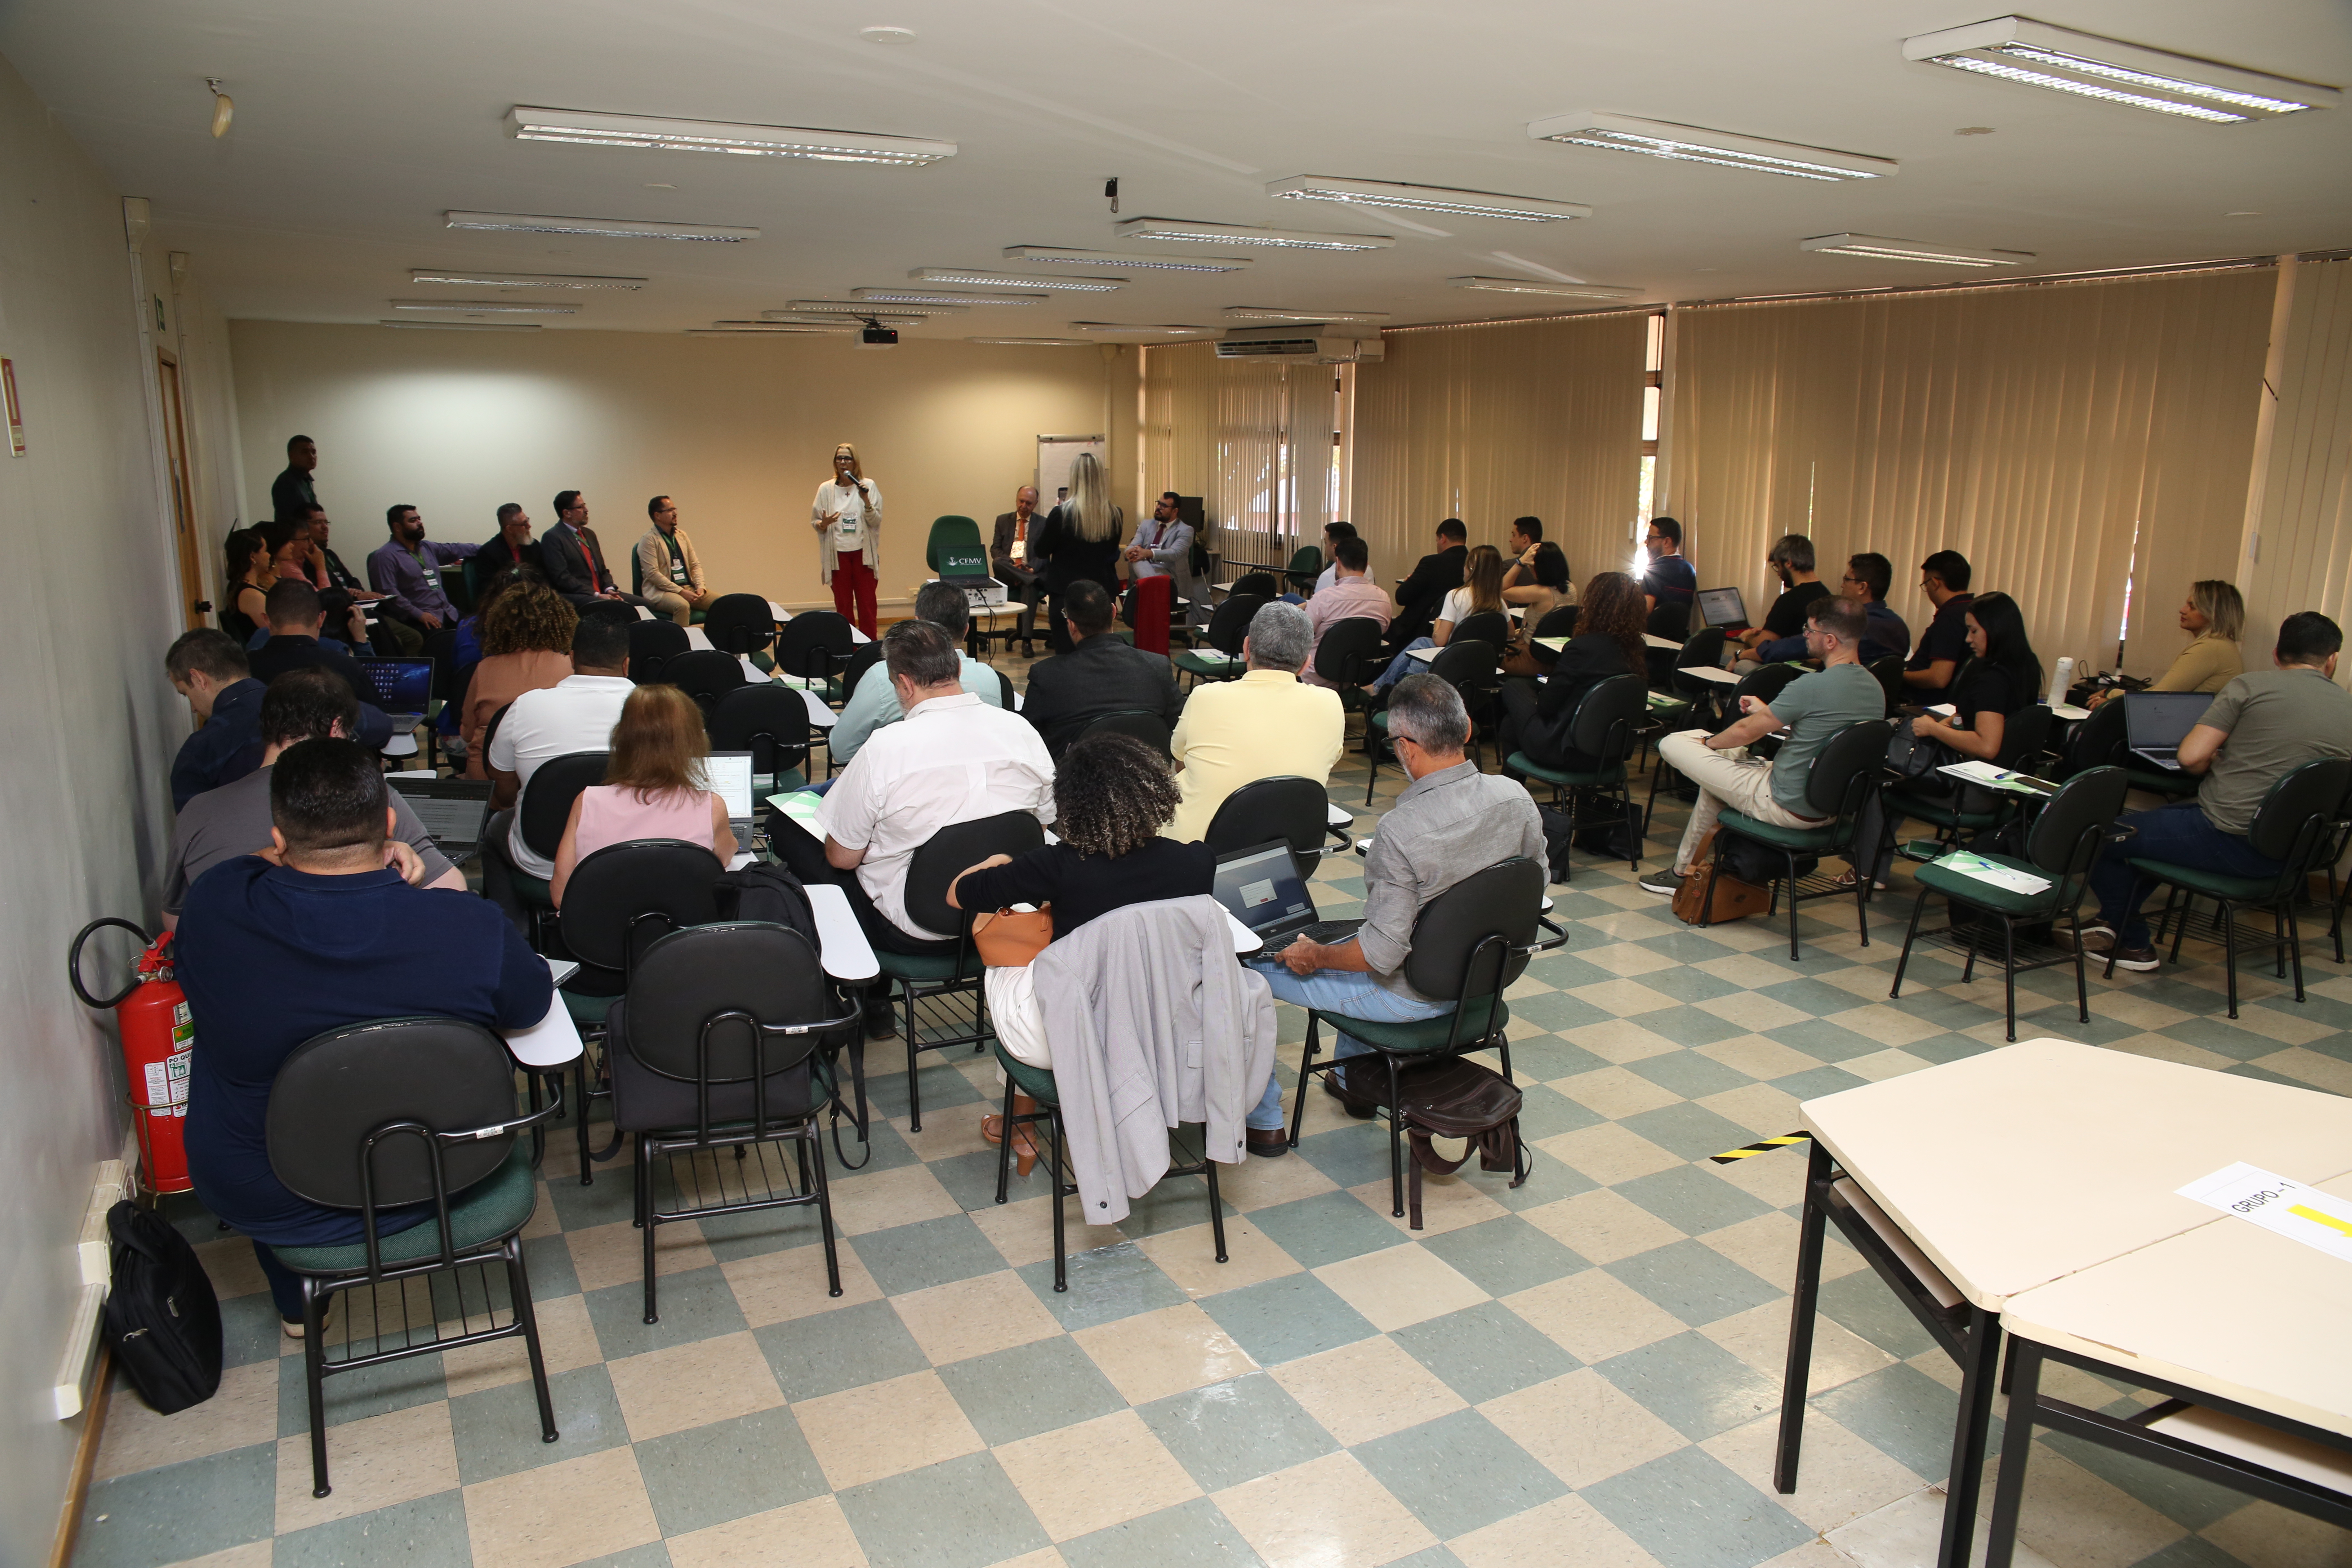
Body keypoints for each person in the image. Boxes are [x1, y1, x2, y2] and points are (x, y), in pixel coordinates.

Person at [176, 737, 551, 1332]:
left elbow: (241, 870)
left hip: (270, 1191)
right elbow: (530, 1006)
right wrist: (389, 854)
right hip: (445, 1173)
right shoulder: (467, 928)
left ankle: (299, 1308)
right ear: (390, 821)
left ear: (278, 836)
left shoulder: (216, 910)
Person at [1245, 675, 1546, 1140]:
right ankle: (1351, 1083)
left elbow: (1380, 957)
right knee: (1358, 937)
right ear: (1466, 729)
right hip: (1483, 983)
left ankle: (1262, 1123)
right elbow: (1535, 886)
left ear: (1406, 748)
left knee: (1247, 970)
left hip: (1410, 1000)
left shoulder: (1400, 830)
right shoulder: (1517, 799)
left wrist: (1316, 956)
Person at [947, 735, 1218, 1152]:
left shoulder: (1054, 866)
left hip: (1070, 1040)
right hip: (1162, 1032)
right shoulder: (1197, 862)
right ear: (1156, 793)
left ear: (1071, 804)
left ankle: (1021, 1125)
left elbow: (958, 896)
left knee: (1015, 958)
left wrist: (997, 863)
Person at [784, 621, 1054, 1032]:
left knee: (799, 841)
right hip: (1003, 910)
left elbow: (842, 857)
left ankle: (861, 995)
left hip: (915, 929)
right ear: (957, 672)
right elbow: (1045, 823)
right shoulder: (1021, 731)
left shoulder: (886, 747)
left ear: (905, 685)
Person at [2074, 612, 2352, 971]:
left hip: (2232, 841)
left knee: (2098, 834)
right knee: (2150, 827)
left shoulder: (2250, 687)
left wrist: (2217, 758)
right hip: (2300, 853)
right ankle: (2112, 921)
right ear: (2332, 660)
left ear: (2276, 654)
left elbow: (2191, 758)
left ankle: (2133, 943)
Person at [163, 668, 463, 927]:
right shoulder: (374, 796)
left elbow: (178, 924)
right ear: (336, 729)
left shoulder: (196, 811)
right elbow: (453, 895)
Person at [1639, 595, 1886, 898]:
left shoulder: (1811, 685)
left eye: (1809, 632)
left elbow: (1743, 732)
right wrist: (1769, 713)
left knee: (1673, 743)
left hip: (1784, 802)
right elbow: (1826, 730)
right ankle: (1683, 872)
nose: (1804, 637)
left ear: (1831, 640)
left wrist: (1706, 743)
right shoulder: (1875, 689)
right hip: (1832, 808)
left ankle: (1681, 874)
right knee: (1716, 782)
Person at [1846, 590, 2042, 889]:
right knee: (1897, 767)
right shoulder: (2025, 666)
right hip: (1999, 786)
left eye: (1974, 630)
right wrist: (1951, 722)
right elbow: (1985, 719)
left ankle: (1867, 871)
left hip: (1971, 790)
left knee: (1882, 773)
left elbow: (1987, 745)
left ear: (1996, 629)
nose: (1968, 639)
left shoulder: (1993, 679)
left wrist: (1936, 730)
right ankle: (1871, 868)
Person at [1166, 601, 1345, 843]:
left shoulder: (1206, 697)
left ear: (1247, 648)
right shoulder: (1331, 704)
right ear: (1306, 664)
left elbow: (1180, 763)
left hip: (1199, 855)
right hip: (1286, 853)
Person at [550, 684, 737, 906]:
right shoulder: (710, 806)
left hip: (600, 936)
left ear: (621, 738)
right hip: (680, 934)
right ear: (694, 742)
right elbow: (724, 858)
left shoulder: (587, 801)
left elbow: (560, 896)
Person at [485, 614, 635, 884]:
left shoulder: (525, 706)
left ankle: (511, 921)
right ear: (626, 664)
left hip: (543, 863)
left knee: (495, 827)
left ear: (571, 657)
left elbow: (502, 786)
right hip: (632, 858)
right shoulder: (666, 713)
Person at [832, 581, 1008, 764]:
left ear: (918, 624)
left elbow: (842, 750)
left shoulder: (883, 675)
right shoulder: (990, 677)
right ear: (966, 630)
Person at [1499, 570, 1646, 768]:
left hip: (1569, 751)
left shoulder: (1582, 648)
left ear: (1595, 606)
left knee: (1514, 687)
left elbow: (1546, 707)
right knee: (1511, 724)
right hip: (1612, 753)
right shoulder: (1637, 649)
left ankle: (1512, 794)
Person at [1020, 579, 1183, 757]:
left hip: (1077, 781)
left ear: (1071, 625)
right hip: (1150, 778)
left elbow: (1026, 737)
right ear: (1114, 612)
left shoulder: (1046, 674)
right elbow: (1182, 729)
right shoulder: (1157, 665)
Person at [245, 581, 394, 749]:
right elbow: (380, 723)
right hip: (334, 763)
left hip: (259, 765)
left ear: (266, 619)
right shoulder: (344, 665)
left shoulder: (244, 668)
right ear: (321, 618)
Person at [460, 579, 576, 775]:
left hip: (487, 782)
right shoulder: (570, 667)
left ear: (499, 624)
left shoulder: (485, 669)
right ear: (561, 623)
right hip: (547, 777)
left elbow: (467, 733)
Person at [367, 503, 477, 690]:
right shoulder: (384, 556)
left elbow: (456, 549)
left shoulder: (427, 548)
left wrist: (490, 548)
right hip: (419, 618)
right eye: (413, 520)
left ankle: (471, 683)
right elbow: (390, 595)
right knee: (444, 645)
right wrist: (419, 614)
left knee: (478, 628)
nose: (420, 523)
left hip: (445, 611)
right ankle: (445, 691)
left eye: (419, 519)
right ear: (397, 527)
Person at [1369, 543, 1506, 693]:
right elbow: (1510, 633)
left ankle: (1384, 689)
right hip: (1485, 665)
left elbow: (1440, 641)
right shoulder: (1499, 602)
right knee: (1421, 644)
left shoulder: (1456, 596)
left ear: (1471, 569)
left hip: (1456, 662)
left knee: (1421, 649)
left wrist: (1437, 626)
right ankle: (1384, 688)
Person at [2090, 579, 2246, 706]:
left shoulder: (2210, 649)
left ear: (2212, 614)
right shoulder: (2222, 645)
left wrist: (2110, 693)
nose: (2183, 610)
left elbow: (2159, 697)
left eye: (2192, 607)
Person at [166, 629, 265, 810]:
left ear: (199, 679)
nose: (194, 708)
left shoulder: (201, 749)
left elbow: (194, 833)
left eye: (186, 694)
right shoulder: (302, 707)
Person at [1033, 452, 1122, 653]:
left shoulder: (1061, 514)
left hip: (1067, 594)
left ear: (1074, 478)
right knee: (1100, 655)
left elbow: (1041, 551)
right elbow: (1111, 553)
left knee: (1067, 657)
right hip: (1102, 594)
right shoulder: (1115, 514)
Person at [306, 509, 416, 656]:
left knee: (412, 638)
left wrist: (358, 592)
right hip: (341, 617)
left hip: (361, 608)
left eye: (326, 522)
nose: (325, 527)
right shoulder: (308, 562)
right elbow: (327, 597)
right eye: (318, 523)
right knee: (398, 640)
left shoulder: (330, 554)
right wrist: (354, 596)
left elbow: (353, 580)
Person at [1731, 535, 1832, 672]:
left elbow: (1764, 646)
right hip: (1817, 670)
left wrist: (1748, 637)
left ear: (1789, 563)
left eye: (1778, 566)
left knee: (1742, 665)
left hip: (1790, 671)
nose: (1778, 573)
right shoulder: (1827, 595)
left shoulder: (1789, 600)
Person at [1302, 535, 1392, 688]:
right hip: (1355, 676)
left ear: (1338, 563)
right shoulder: (1383, 599)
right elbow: (1380, 631)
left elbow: (1303, 634)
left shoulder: (1324, 598)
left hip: (1314, 678)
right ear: (1367, 565)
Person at [811, 443, 882, 637]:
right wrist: (824, 523)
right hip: (838, 556)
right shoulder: (826, 489)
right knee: (843, 608)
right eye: (839, 458)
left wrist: (866, 500)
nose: (843, 462)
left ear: (855, 462)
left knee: (867, 605)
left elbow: (875, 521)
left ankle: (869, 648)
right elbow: (815, 522)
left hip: (863, 555)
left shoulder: (868, 486)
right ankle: (848, 649)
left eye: (847, 458)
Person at [539, 490, 639, 610]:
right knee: (615, 608)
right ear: (567, 513)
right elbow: (562, 578)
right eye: (581, 507)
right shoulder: (553, 537)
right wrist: (596, 595)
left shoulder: (589, 534)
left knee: (645, 604)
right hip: (578, 595)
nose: (586, 510)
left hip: (602, 592)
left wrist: (610, 589)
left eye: (584, 505)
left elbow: (603, 570)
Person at [1125, 491, 1206, 630]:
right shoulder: (1146, 525)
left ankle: (1152, 587)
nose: (1158, 508)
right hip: (1146, 571)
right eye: (1158, 503)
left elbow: (1174, 554)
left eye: (1164, 506)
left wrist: (1148, 554)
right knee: (1136, 560)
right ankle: (1154, 587)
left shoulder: (1186, 530)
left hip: (1170, 575)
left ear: (1175, 511)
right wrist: (1130, 552)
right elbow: (1133, 545)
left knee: (1139, 560)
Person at [1386, 519, 1470, 651]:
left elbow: (1401, 597)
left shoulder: (1431, 563)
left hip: (1420, 631)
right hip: (1459, 634)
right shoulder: (1474, 564)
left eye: (1437, 540)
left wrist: (1410, 582)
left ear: (1443, 538)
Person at [1902, 550, 1975, 695]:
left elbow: (1938, 678)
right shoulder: (1973, 610)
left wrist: (1899, 675)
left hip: (1921, 704)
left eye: (1925, 584)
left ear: (1935, 583)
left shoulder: (1950, 618)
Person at [635, 495, 713, 626]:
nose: (675, 513)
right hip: (662, 592)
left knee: (723, 603)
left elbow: (695, 565)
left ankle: (715, 644)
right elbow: (653, 574)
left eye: (675, 509)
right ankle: (682, 646)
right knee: (682, 606)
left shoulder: (682, 536)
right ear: (658, 515)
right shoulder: (649, 540)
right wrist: (681, 592)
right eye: (670, 510)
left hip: (689, 587)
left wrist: (701, 586)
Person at [1500, 542, 1576, 676]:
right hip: (1556, 659)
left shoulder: (1542, 593)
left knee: (1485, 657)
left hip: (1530, 659)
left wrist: (1520, 562)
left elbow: (1502, 589)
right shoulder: (1571, 589)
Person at [991, 485, 1045, 652]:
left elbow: (1044, 555)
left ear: (1035, 504)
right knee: (997, 562)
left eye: (1029, 503)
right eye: (1021, 501)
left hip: (1029, 571)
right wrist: (1012, 564)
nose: (1024, 506)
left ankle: (1026, 640)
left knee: (1030, 586)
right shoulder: (1002, 520)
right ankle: (1029, 578)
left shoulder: (1043, 524)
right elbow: (995, 549)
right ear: (1016, 500)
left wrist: (1029, 569)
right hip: (1008, 571)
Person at [1839, 553, 1912, 666]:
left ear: (1862, 588)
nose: (1842, 586)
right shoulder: (1900, 627)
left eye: (1846, 580)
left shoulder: (1854, 626)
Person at [220, 527, 274, 646]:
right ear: (252, 556)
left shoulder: (248, 587)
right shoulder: (250, 595)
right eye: (266, 551)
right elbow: (276, 633)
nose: (269, 555)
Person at [1642, 516, 1696, 617]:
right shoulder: (1689, 569)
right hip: (1679, 633)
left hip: (1652, 632)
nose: (1646, 542)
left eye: (1651, 538)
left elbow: (1646, 610)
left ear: (1667, 542)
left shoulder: (1655, 570)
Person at [476, 503, 546, 580]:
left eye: (527, 521)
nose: (529, 526)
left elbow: (543, 576)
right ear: (510, 529)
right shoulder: (489, 553)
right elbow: (490, 588)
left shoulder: (533, 546)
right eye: (524, 524)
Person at [269, 433, 318, 522]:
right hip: (297, 536)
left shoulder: (307, 481)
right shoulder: (285, 483)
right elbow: (287, 523)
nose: (312, 457)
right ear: (292, 456)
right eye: (305, 452)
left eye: (314, 452)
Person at [1500, 517, 1545, 588]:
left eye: (1514, 535)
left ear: (1525, 538)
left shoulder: (1509, 566)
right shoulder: (1551, 565)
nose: (1511, 540)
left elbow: (1497, 592)